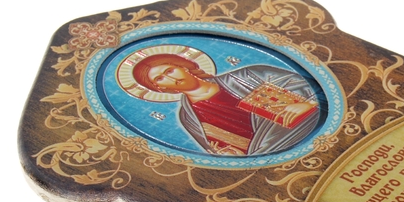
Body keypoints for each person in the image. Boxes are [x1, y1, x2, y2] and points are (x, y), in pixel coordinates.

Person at [131, 53, 319, 156]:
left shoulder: (247, 75)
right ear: (160, 88)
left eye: (170, 70)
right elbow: (216, 150)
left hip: (308, 127)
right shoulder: (188, 117)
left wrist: (307, 103)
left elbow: (314, 88)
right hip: (272, 152)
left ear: (183, 67)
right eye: (160, 79)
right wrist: (230, 155)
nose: (171, 78)